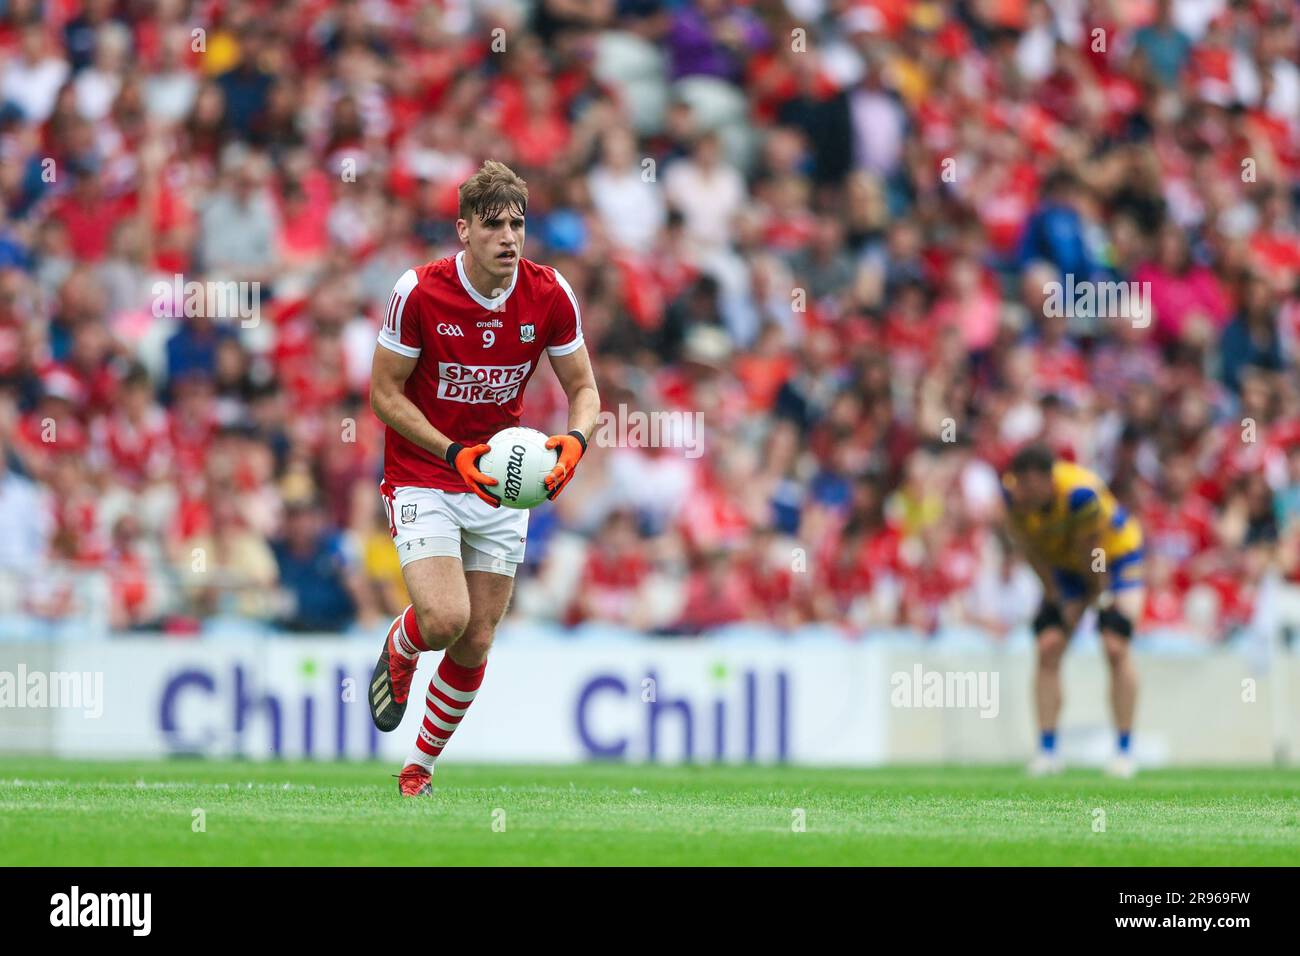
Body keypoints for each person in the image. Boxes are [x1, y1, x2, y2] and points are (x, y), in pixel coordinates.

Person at [368, 160, 600, 796]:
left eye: (518, 223)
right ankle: (404, 641)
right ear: (463, 229)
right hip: (426, 471)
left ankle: (419, 768)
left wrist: (572, 447)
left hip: (501, 478)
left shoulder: (550, 294)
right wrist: (451, 455)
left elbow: (584, 390)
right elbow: (384, 395)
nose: (508, 236)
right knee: (444, 618)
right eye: (493, 224)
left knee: (478, 636)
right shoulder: (418, 291)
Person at [1001, 443, 1145, 778]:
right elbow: (1031, 550)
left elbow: (1092, 554)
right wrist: (1055, 595)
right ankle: (1047, 751)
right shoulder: (1012, 498)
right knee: (1047, 646)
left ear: (1049, 481)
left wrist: (1097, 601)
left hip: (1114, 558)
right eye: (1021, 487)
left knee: (1115, 644)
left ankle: (1124, 750)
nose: (1025, 494)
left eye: (1032, 487)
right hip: (1064, 564)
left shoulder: (1081, 494)